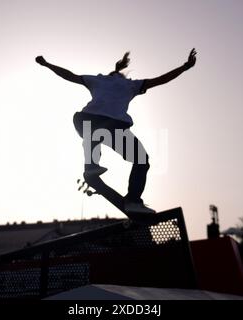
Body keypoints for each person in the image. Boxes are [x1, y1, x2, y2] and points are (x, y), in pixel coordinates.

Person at [36, 49, 197, 214]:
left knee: (93, 131)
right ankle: (133, 200)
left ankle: (91, 164)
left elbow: (69, 75)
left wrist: (47, 64)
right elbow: (160, 80)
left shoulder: (97, 79)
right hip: (114, 127)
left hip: (86, 120)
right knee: (141, 160)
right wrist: (184, 67)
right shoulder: (131, 84)